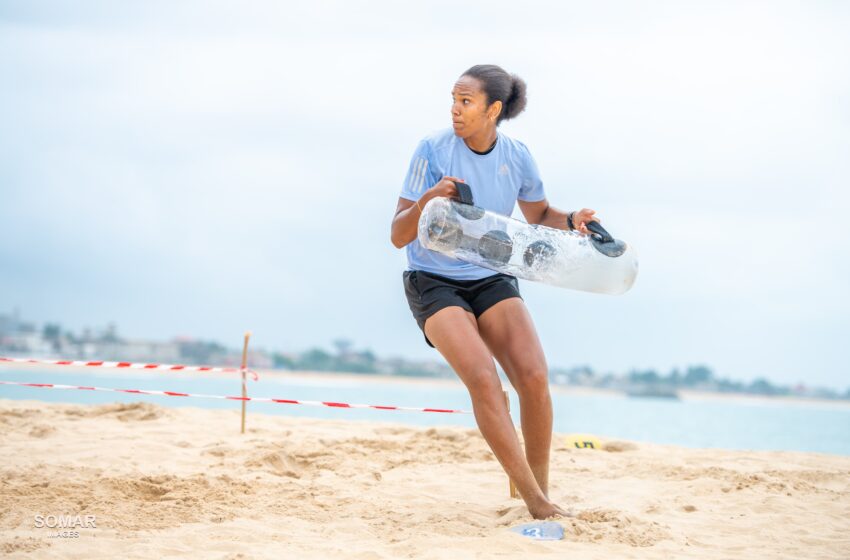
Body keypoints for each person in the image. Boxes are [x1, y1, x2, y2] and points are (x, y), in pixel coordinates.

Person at [390, 64, 599, 520]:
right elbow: (398, 234)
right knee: (485, 380)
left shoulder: (517, 156)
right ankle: (537, 504)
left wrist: (572, 220)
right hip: (433, 279)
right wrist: (429, 198)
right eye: (453, 99)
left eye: (465, 101)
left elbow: (538, 213)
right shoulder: (432, 149)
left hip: (490, 273)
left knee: (534, 377)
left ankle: (537, 492)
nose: (455, 109)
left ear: (493, 110)